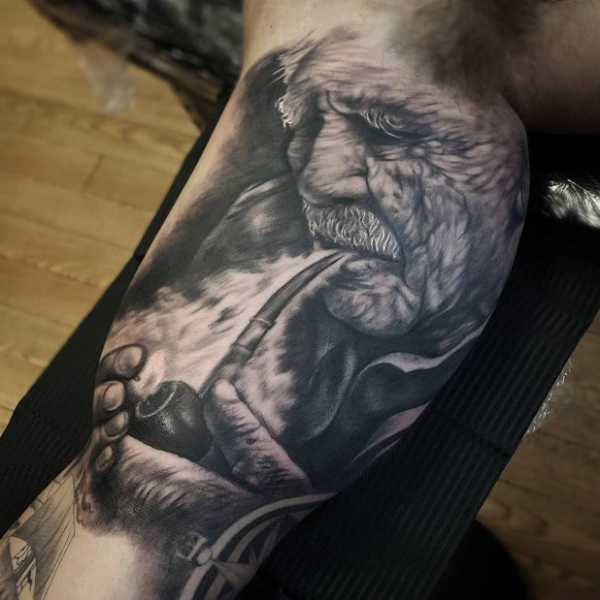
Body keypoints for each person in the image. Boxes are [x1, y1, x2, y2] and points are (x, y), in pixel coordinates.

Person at [0, 0, 597, 598]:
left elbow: (392, 44)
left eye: (385, 131)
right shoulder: (268, 234)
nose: (317, 177)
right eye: (308, 123)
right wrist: (127, 502)